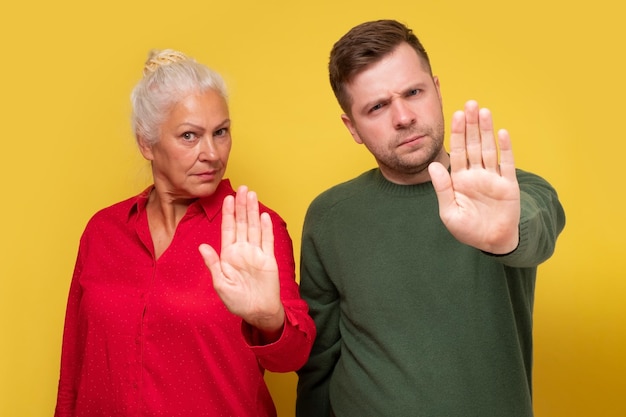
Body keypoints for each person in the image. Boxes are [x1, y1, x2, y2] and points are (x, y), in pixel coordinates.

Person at [295, 19, 565, 417]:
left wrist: (507, 234)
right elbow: (318, 362)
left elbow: (538, 228)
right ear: (352, 128)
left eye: (413, 92)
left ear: (436, 90)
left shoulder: (509, 192)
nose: (403, 117)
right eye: (377, 106)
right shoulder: (329, 216)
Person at [54, 49, 315, 417]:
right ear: (146, 143)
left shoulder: (255, 226)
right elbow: (73, 367)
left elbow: (293, 356)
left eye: (220, 132)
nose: (211, 152)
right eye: (189, 136)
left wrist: (269, 318)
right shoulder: (103, 231)